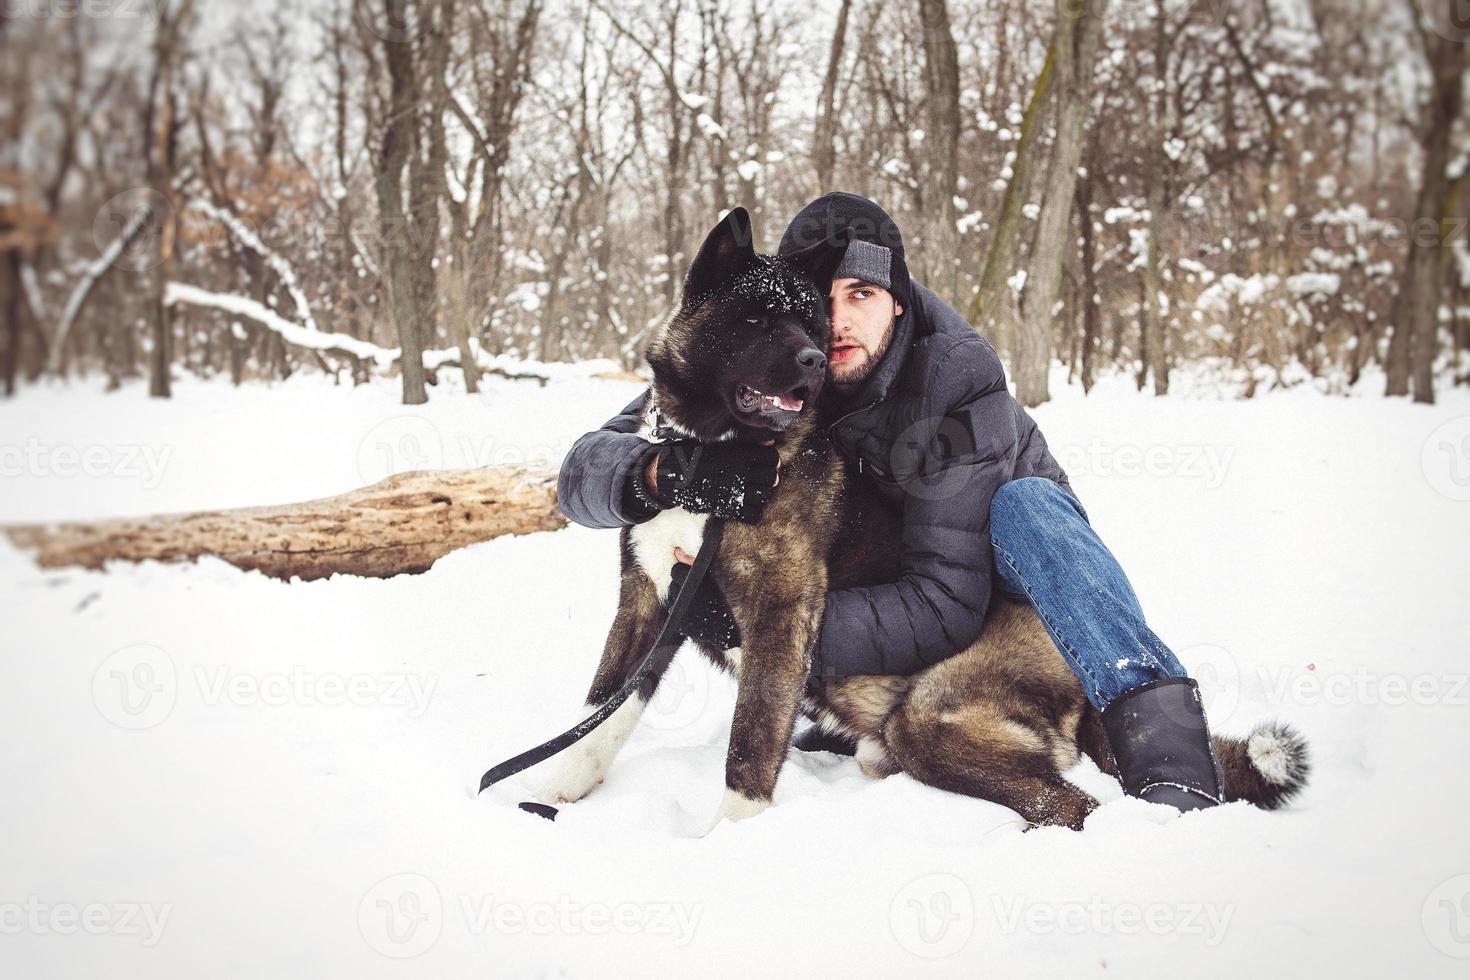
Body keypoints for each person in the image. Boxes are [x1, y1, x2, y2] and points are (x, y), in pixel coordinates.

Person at [556, 192, 1226, 813]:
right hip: (888, 594)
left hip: (1014, 604)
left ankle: (1161, 738)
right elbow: (593, 464)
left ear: (898, 301)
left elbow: (946, 601)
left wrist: (765, 629)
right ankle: (862, 717)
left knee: (1029, 509)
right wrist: (657, 474)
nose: (836, 323)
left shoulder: (955, 384)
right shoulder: (771, 375)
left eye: (863, 294)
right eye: (820, 300)